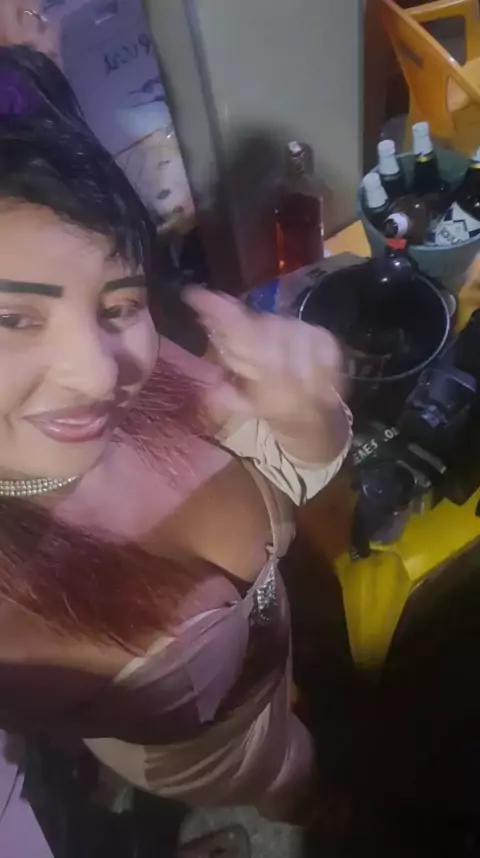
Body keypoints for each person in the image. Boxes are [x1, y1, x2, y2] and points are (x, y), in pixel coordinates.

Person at [0, 45, 352, 829]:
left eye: (117, 304)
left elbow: (292, 464)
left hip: (279, 662)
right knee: (288, 778)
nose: (99, 373)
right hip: (205, 753)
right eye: (13, 318)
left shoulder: (152, 372)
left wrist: (306, 413)